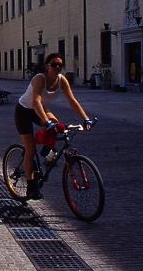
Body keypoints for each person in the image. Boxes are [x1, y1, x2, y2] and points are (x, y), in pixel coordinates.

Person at [14, 52, 93, 200]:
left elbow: (72, 100)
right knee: (30, 148)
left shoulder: (61, 80)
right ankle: (31, 186)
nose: (57, 68)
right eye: (54, 65)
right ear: (47, 66)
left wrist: (86, 119)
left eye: (60, 65)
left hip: (40, 109)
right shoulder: (40, 78)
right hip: (24, 111)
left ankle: (47, 156)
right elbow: (36, 101)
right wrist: (46, 121)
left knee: (59, 127)